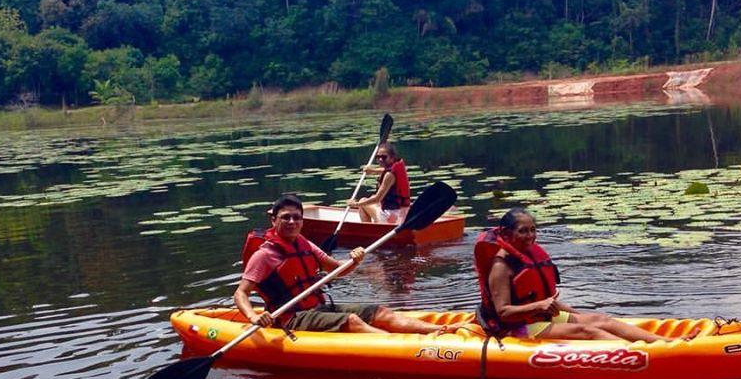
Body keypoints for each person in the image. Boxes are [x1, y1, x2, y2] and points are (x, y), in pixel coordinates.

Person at [235, 193, 457, 335]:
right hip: (291, 318)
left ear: (302, 221)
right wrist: (253, 316)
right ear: (273, 220)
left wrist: (354, 259)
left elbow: (337, 269)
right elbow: (241, 294)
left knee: (380, 312)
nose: (292, 221)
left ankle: (440, 330)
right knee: (352, 320)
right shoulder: (264, 255)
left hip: (318, 308)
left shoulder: (305, 244)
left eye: (296, 217)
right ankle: (408, 347)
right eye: (285, 217)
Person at [474, 206, 664, 343]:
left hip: (539, 317)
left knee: (601, 320)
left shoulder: (528, 255)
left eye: (533, 230)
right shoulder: (501, 267)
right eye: (523, 231)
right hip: (516, 328)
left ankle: (664, 342)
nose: (530, 235)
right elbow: (503, 312)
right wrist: (541, 305)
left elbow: (548, 301)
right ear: (506, 235)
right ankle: (643, 354)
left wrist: (579, 314)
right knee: (586, 330)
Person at [349, 142, 411, 224]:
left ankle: (372, 232)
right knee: (371, 199)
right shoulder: (395, 168)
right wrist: (373, 171)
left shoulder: (389, 175)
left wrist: (356, 204)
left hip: (391, 215)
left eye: (384, 157)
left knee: (363, 202)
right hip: (403, 212)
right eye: (378, 157)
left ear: (392, 158)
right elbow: (386, 170)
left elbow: (378, 198)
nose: (380, 159)